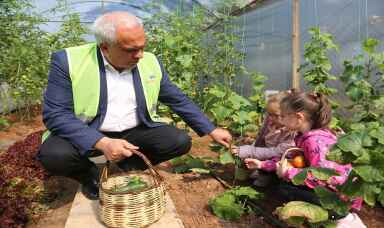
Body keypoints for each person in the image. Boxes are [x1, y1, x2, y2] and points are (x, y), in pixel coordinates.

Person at [37, 11, 232, 200]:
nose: (140, 55)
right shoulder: (69, 61)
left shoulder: (149, 62)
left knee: (179, 140)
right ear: (105, 47)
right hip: (89, 132)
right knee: (54, 155)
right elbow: (56, 114)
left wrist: (210, 128)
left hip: (134, 133)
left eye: (143, 47)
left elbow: (176, 98)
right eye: (131, 50)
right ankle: (90, 176)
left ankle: (130, 166)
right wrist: (103, 142)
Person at [245, 90, 363, 210]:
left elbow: (321, 177)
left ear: (298, 117)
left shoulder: (314, 142)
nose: (281, 119)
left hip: (341, 200)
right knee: (285, 181)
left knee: (284, 188)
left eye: (284, 116)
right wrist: (262, 164)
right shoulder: (308, 135)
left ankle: (336, 215)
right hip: (333, 191)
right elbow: (290, 159)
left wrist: (288, 173)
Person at [232, 91, 296, 186]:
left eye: (276, 115)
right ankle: (258, 170)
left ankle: (269, 176)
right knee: (246, 148)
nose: (271, 118)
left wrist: (250, 151)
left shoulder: (293, 133)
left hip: (284, 158)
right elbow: (261, 138)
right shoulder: (270, 122)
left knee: (274, 159)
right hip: (268, 151)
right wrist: (250, 148)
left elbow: (276, 152)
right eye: (269, 114)